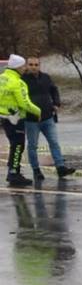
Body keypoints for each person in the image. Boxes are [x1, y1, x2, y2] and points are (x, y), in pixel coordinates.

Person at [22, 57, 75, 180]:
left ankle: (60, 168)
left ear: (39, 65)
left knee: (54, 143)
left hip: (47, 117)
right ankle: (36, 170)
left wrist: (56, 103)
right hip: (31, 119)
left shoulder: (46, 77)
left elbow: (54, 90)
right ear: (27, 66)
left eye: (36, 64)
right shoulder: (22, 80)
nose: (33, 67)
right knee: (32, 145)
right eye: (31, 64)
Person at [0, 54, 41, 186]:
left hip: (4, 117)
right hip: (15, 118)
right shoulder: (18, 82)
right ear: (17, 67)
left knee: (14, 145)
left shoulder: (2, 78)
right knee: (18, 146)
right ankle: (14, 173)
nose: (25, 68)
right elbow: (24, 103)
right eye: (23, 66)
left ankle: (13, 172)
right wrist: (38, 111)